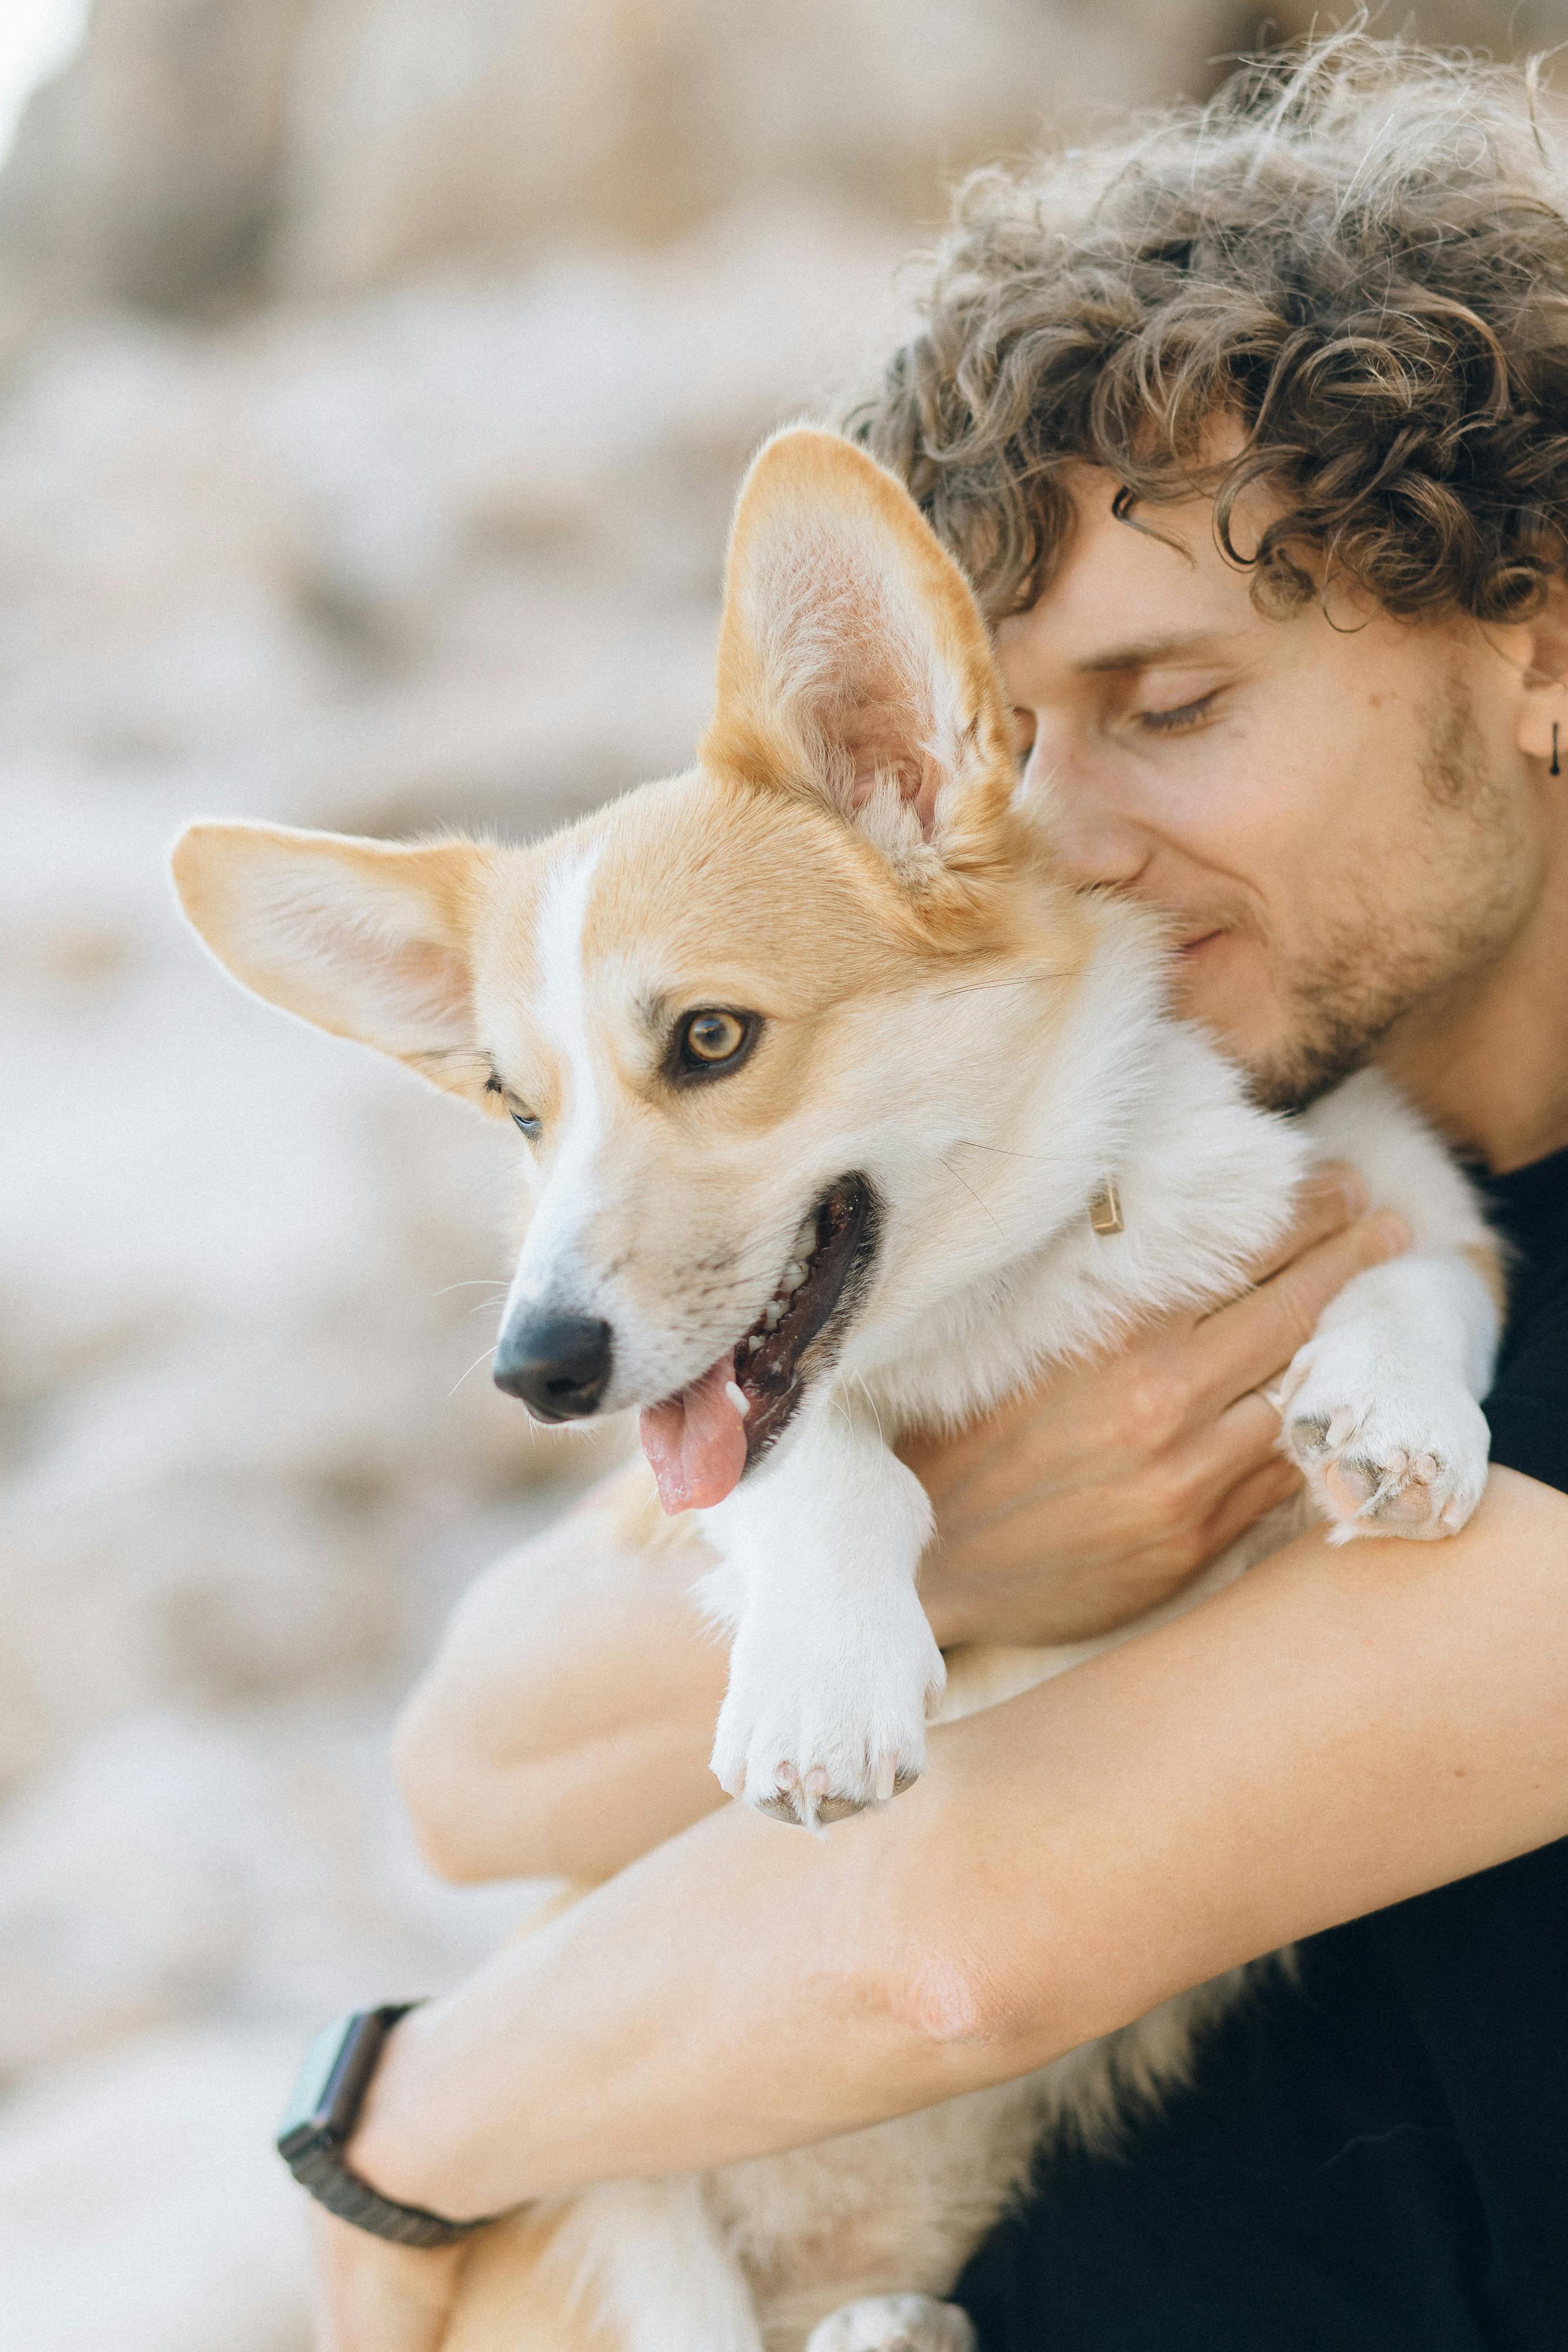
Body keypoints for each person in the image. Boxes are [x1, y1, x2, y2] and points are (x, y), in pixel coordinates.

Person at [310, 37, 1568, 2351]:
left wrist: (390, 2133)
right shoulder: (1183, 1161)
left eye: (1171, 702)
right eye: (1003, 734)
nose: (1038, 845)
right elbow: (467, 1755)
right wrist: (964, 1525)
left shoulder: (1470, 1305)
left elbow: (945, 1945)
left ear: (1541, 646)